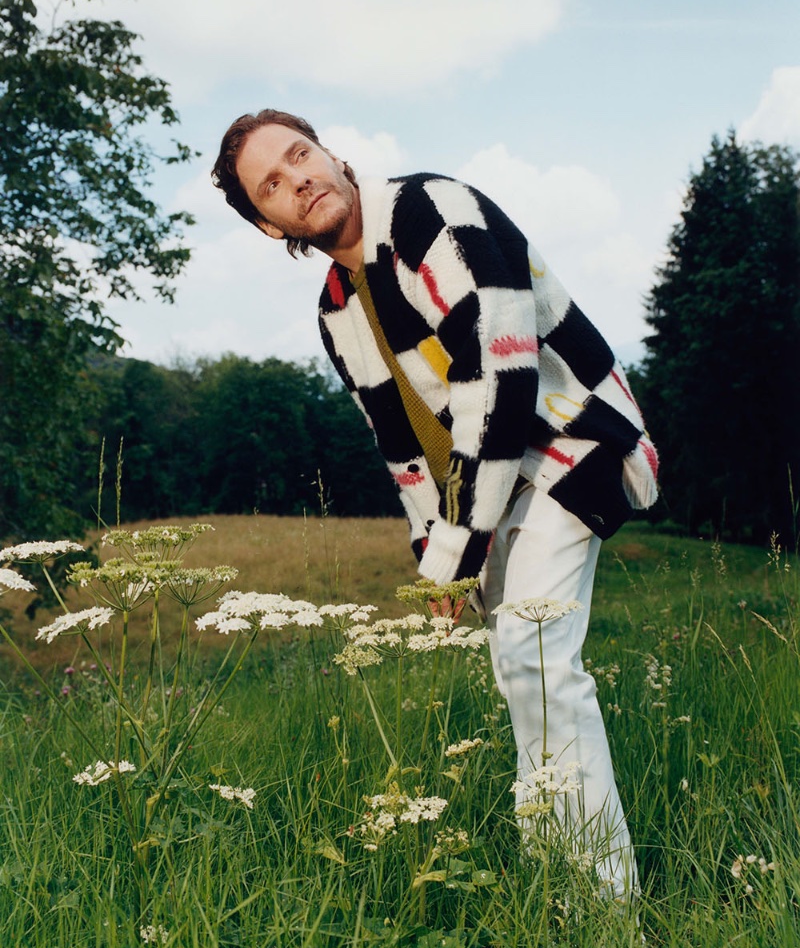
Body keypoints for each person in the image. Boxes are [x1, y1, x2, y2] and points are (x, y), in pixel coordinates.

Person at [211, 109, 659, 900]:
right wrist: (434, 556)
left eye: (300, 154)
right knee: (522, 676)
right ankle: (556, 880)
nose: (299, 180)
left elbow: (501, 380)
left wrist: (455, 559)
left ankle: (607, 910)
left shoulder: (431, 212)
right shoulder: (335, 313)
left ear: (335, 155)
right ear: (265, 224)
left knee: (536, 657)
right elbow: (403, 449)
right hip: (487, 487)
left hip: (570, 442)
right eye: (272, 185)